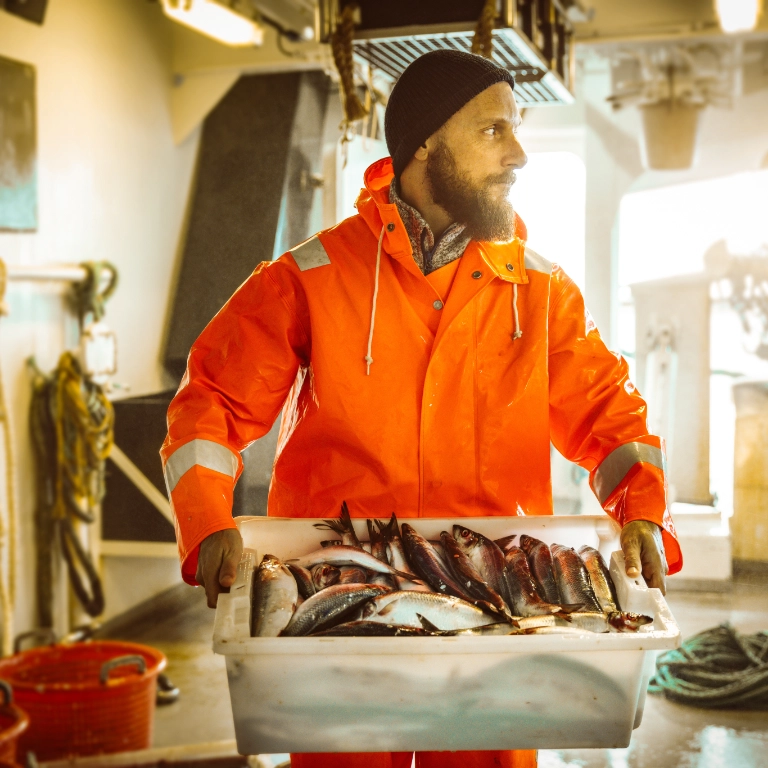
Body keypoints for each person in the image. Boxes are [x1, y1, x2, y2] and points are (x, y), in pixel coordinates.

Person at [162, 50, 682, 768]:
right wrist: (207, 520)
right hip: (340, 603)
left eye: (516, 129)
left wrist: (643, 508)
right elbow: (211, 403)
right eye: (493, 131)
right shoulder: (311, 277)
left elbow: (610, 417)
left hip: (495, 609)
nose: (519, 152)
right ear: (427, 144)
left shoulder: (540, 293)